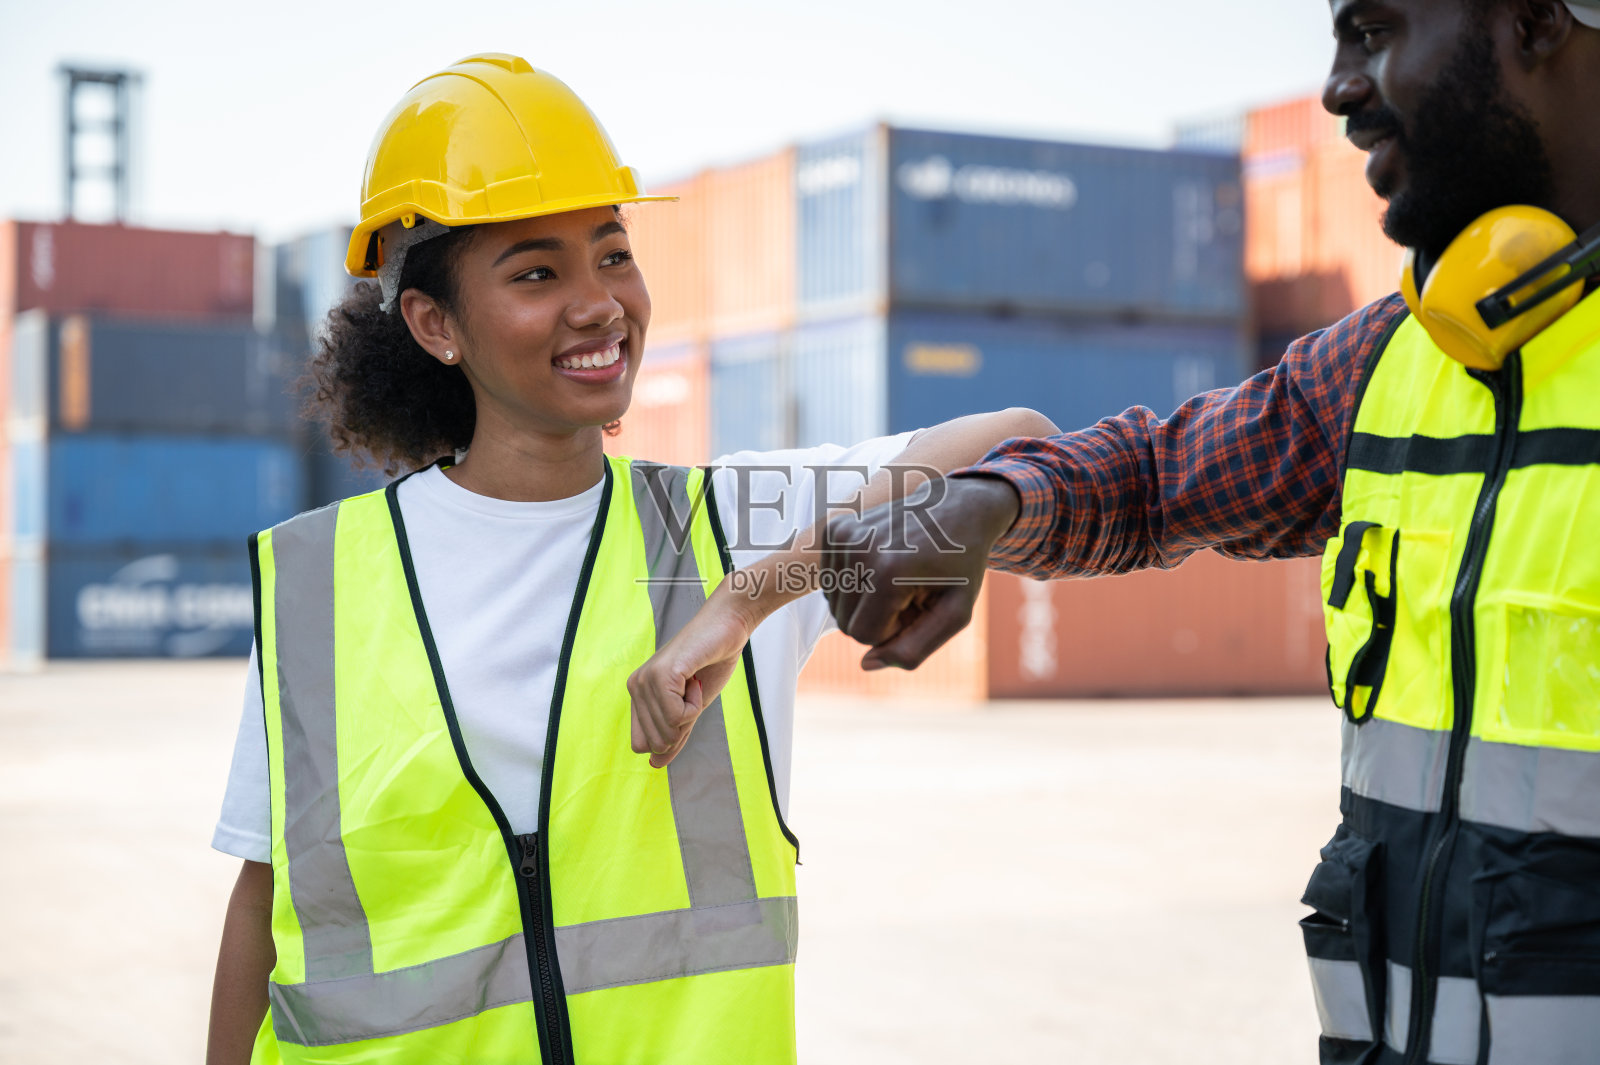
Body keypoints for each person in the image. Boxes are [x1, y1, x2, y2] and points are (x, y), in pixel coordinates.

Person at [637, 2, 1600, 1062]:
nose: (1336, 85)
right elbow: (1154, 476)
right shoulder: (1389, 368)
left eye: (1371, 30)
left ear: (1533, 19)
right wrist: (980, 507)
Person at [204, 53, 1058, 1065]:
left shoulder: (730, 524)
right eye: (536, 272)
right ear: (434, 324)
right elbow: (268, 900)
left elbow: (1019, 438)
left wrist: (753, 594)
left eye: (612, 254)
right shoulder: (318, 581)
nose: (600, 303)